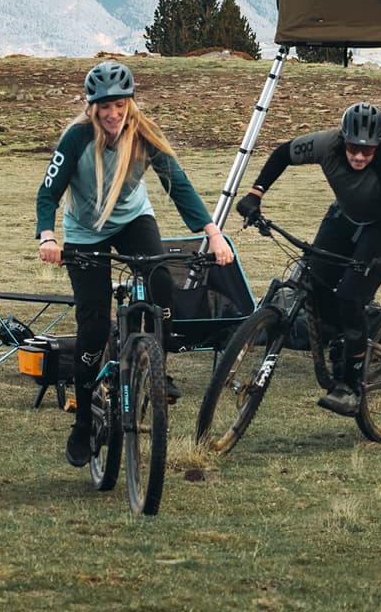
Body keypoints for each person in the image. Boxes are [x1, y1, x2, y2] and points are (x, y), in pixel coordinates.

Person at [36, 59, 234, 467]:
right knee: (91, 324)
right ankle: (82, 420)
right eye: (105, 106)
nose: (113, 114)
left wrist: (213, 234)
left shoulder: (143, 134)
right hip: (86, 232)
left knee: (161, 281)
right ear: (93, 107)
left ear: (130, 104)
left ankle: (154, 361)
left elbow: (178, 186)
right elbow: (47, 194)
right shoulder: (76, 139)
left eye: (120, 105)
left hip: (132, 220)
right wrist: (48, 236)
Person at [235, 101, 381, 416]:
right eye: (353, 148)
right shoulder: (325, 145)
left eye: (368, 150)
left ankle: (350, 384)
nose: (360, 156)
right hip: (344, 217)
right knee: (314, 282)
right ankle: (343, 341)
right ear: (342, 139)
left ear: (379, 147)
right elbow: (283, 153)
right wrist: (256, 193)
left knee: (351, 296)